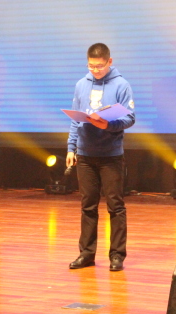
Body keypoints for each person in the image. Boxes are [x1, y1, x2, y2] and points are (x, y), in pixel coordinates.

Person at [67, 43, 135, 272]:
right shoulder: (81, 84)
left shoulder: (121, 85)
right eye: (91, 66)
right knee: (88, 206)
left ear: (109, 62)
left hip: (110, 155)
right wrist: (71, 148)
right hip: (85, 154)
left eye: (100, 66)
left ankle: (117, 255)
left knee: (115, 206)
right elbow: (75, 119)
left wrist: (108, 124)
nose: (95, 70)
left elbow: (130, 118)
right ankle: (86, 254)